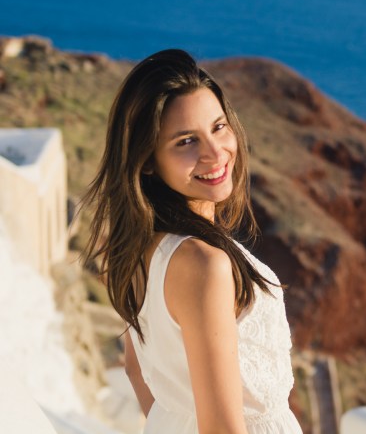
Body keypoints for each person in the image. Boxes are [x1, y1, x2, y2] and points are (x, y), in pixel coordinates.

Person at [81, 49, 302, 434]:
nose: (215, 153)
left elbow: (136, 370)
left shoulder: (133, 247)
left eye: (218, 127)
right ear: (147, 159)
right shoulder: (203, 264)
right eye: (186, 141)